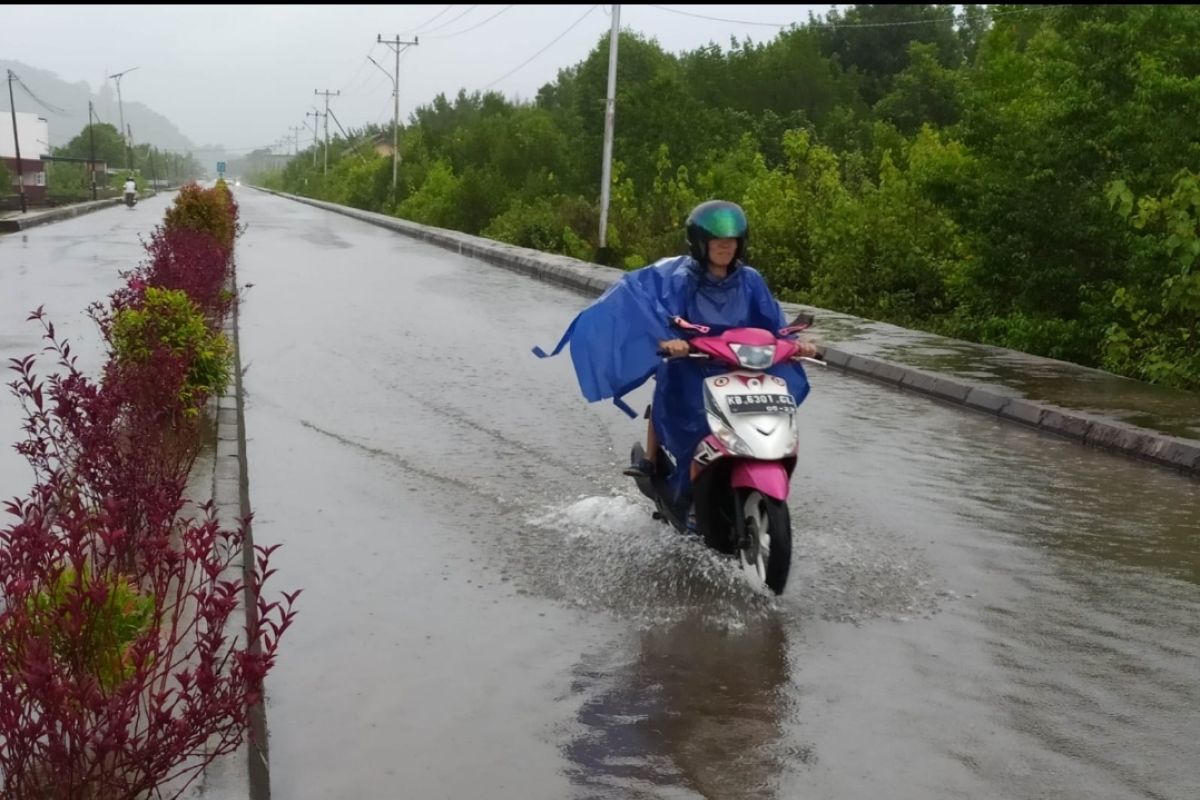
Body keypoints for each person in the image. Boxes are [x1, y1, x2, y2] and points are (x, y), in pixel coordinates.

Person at [533, 199, 817, 500]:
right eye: (717, 241)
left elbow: (774, 324)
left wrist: (797, 345)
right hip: (693, 361)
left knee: (767, 395)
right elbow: (659, 315)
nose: (726, 247)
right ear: (700, 244)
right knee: (669, 382)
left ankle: (754, 455)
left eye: (732, 241)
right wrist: (670, 341)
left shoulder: (751, 281)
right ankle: (652, 461)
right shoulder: (682, 280)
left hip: (739, 365)